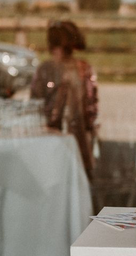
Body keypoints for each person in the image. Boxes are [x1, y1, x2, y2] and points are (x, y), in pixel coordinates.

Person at [31, 20, 98, 176]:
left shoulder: (45, 69)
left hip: (50, 137)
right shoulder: (83, 68)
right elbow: (91, 107)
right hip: (77, 138)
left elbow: (35, 104)